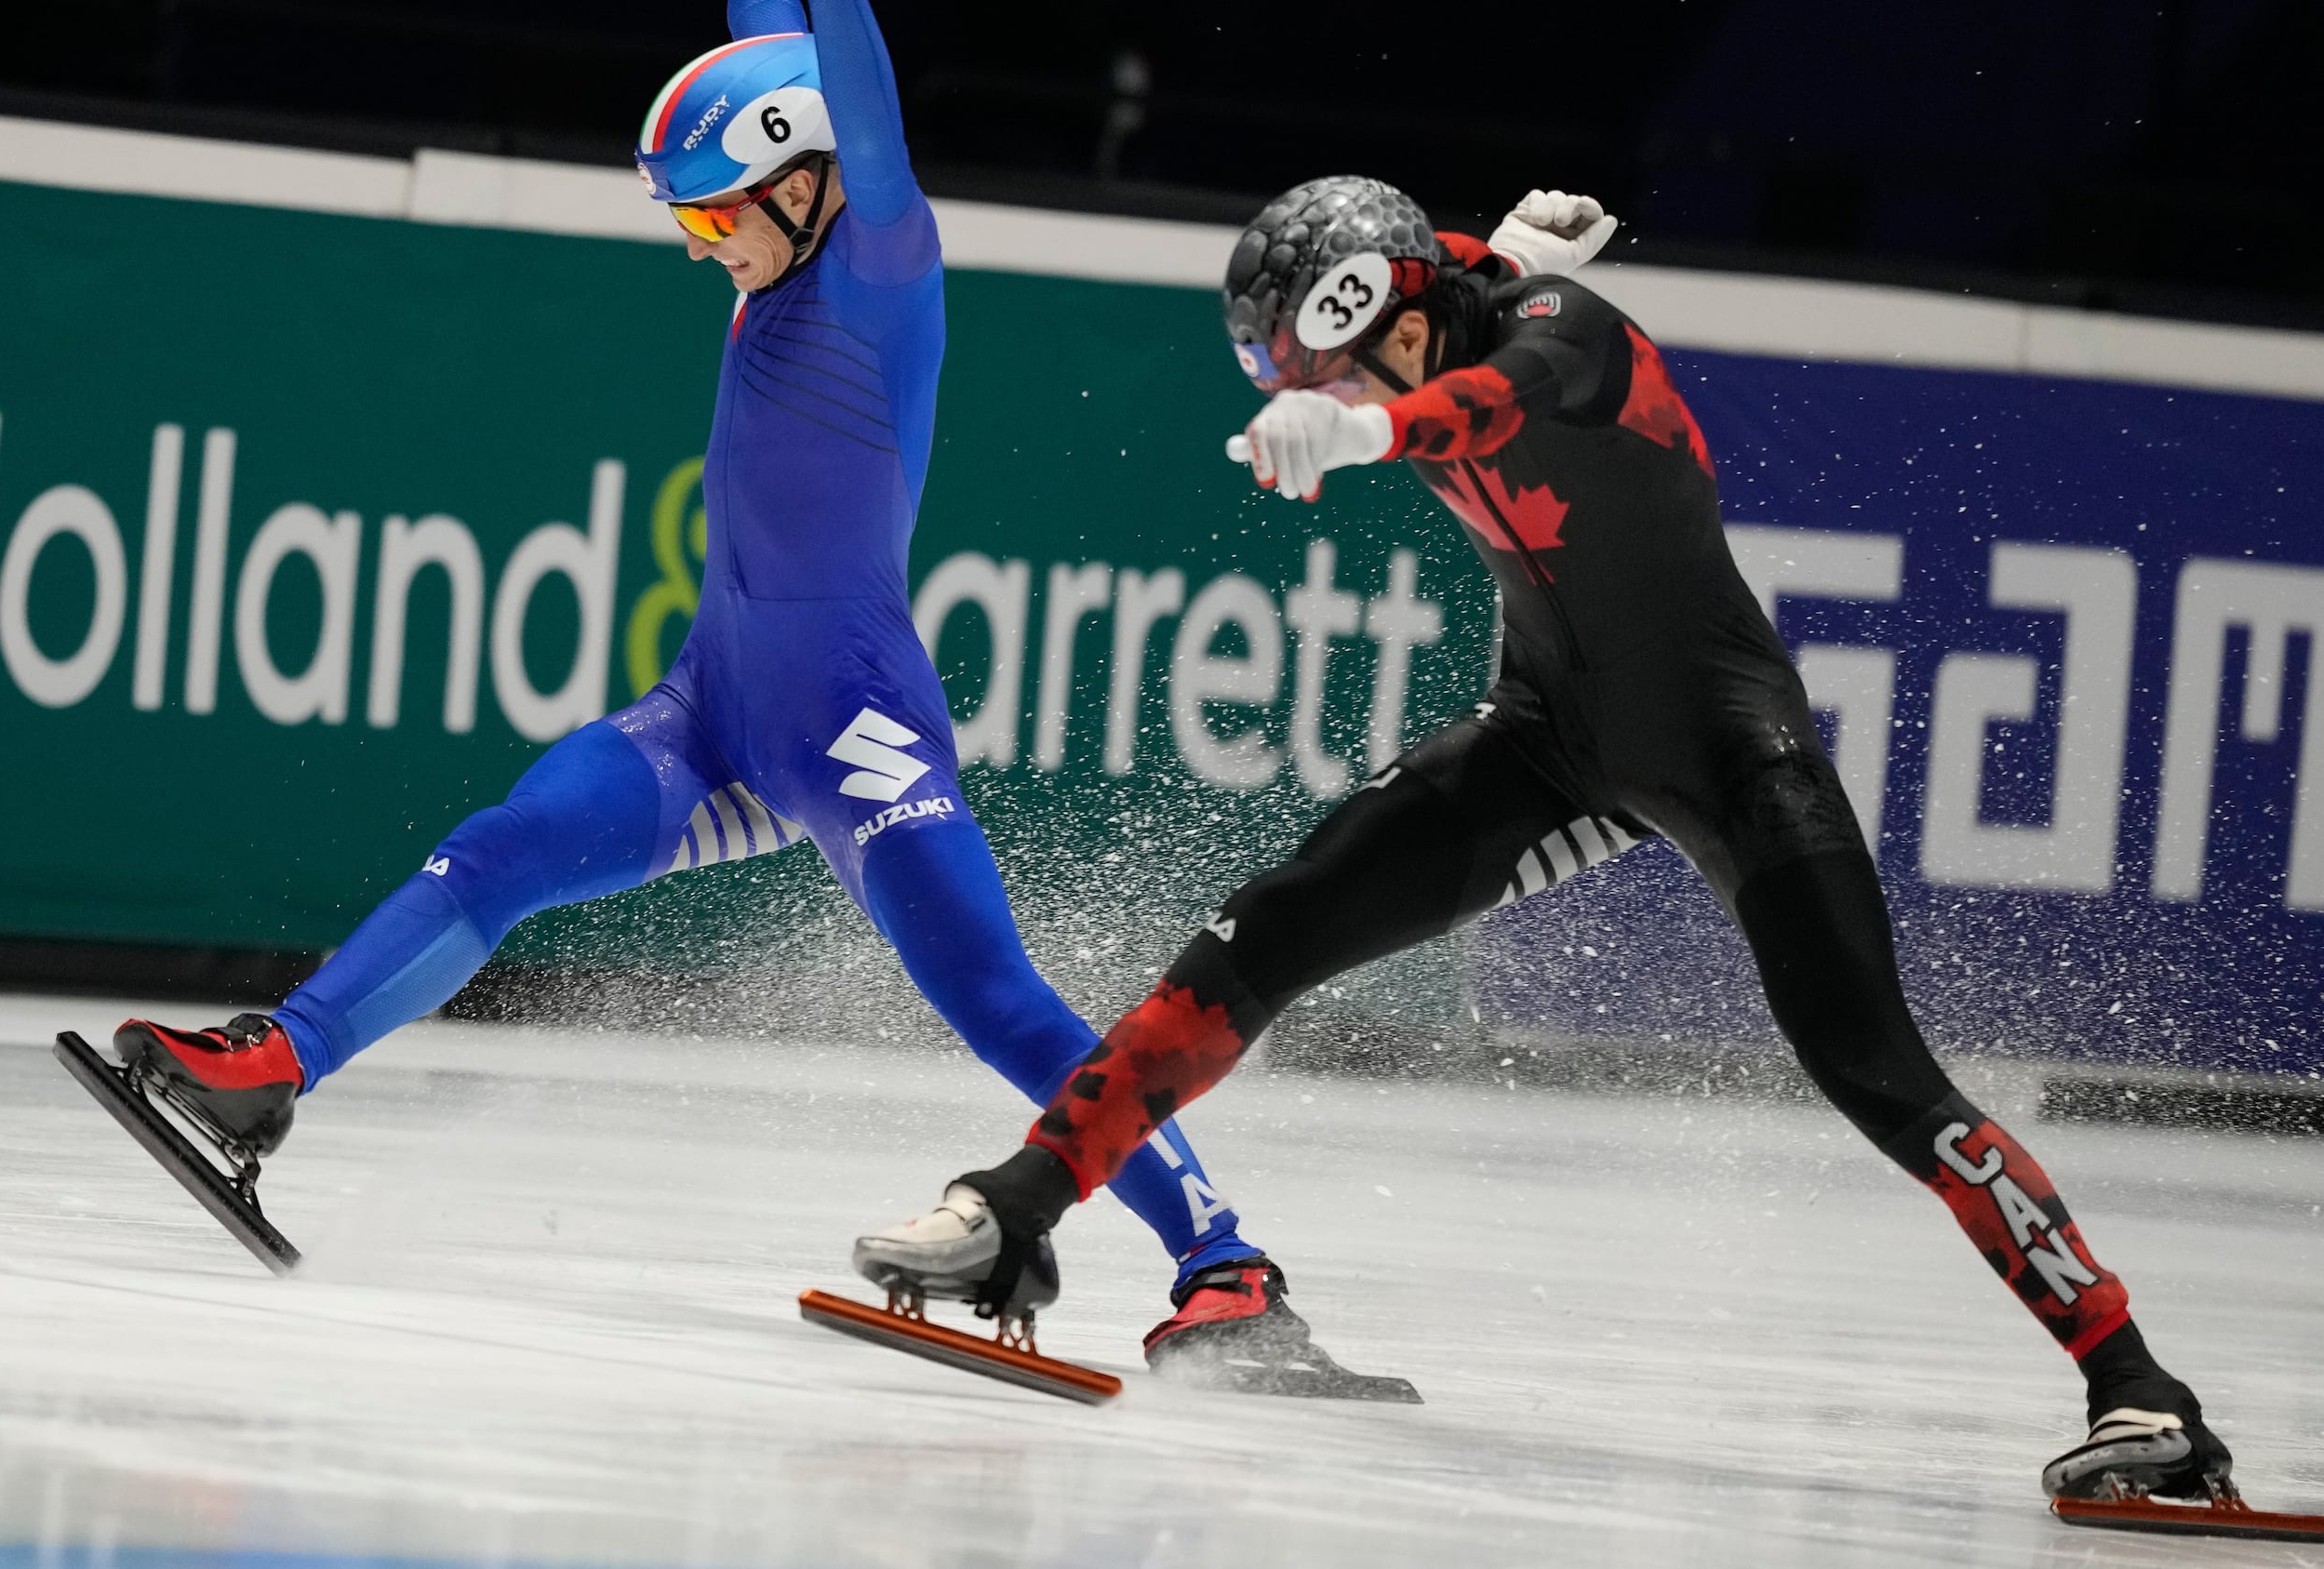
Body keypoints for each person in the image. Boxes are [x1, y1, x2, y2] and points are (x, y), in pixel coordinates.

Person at [95, 10, 1601, 1384]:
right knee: (498, 850)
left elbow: (853, 72)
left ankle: (1230, 1271)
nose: (695, 245)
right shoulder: (790, 237)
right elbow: (781, 35)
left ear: (807, 180)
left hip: (857, 725)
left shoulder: (883, 250)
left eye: (706, 213)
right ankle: (274, 1069)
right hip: (712, 713)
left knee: (1000, 1005)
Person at [855, 174, 2229, 1501]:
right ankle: (1015, 1212)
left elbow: (1489, 396)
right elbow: (1450, 273)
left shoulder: (1570, 336)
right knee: (1269, 927)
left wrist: (1372, 433)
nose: (1317, 405)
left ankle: (2144, 1392)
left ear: (1394, 326)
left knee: (1882, 1077)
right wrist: (1394, 352)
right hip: (1547, 740)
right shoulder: (1436, 286)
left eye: (1329, 377)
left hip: (1731, 755)